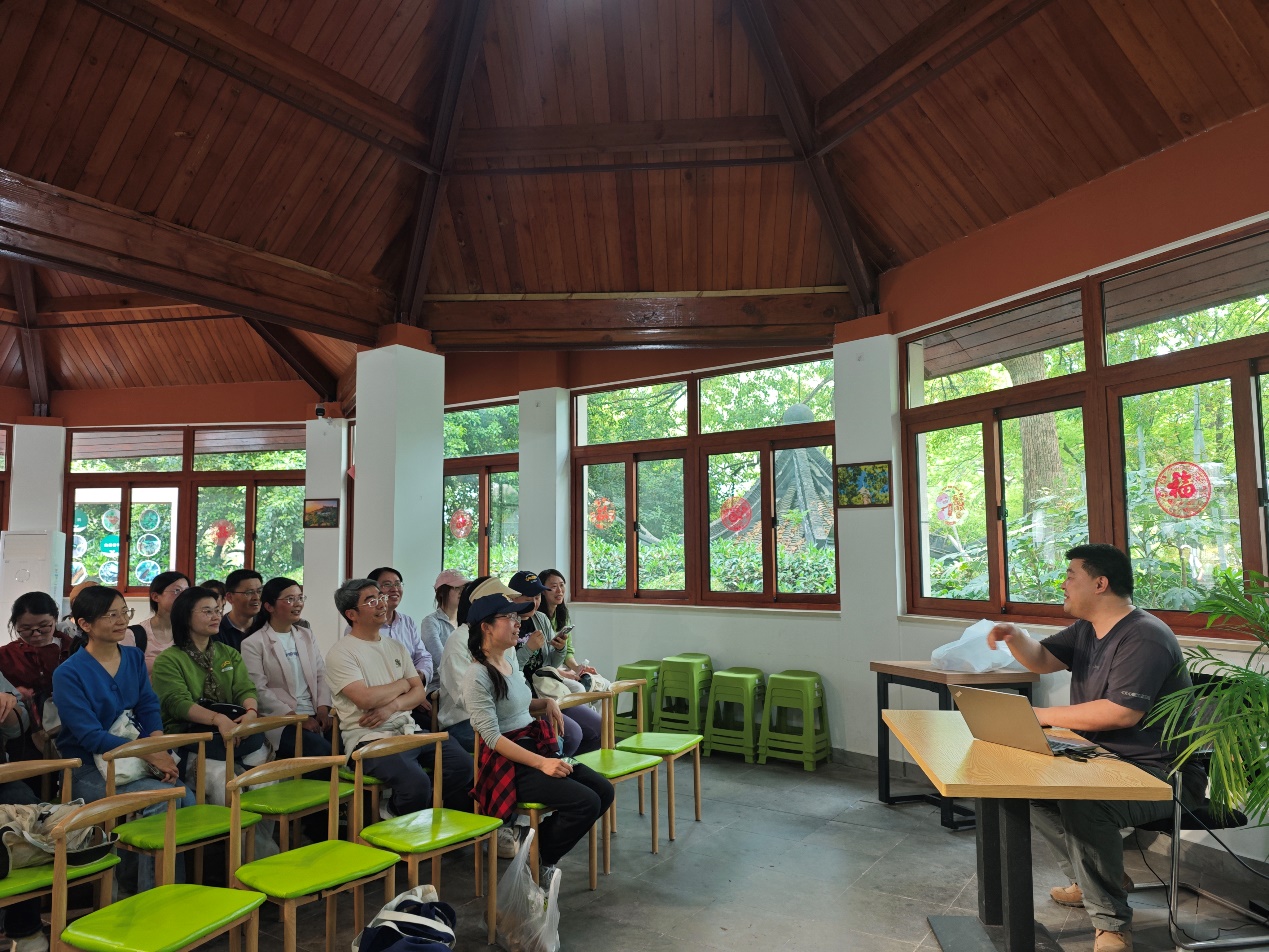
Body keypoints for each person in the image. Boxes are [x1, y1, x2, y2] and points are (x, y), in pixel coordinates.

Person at [987, 543, 1203, 952]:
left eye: (1071, 576)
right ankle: (1096, 880)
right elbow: (1042, 660)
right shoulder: (1088, 629)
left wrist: (1041, 715)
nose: (1064, 585)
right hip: (1104, 761)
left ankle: (1112, 925)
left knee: (1087, 804)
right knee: (1026, 788)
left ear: (1100, 584)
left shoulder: (1145, 636)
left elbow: (1121, 713)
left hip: (1163, 775)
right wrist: (1016, 635)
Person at [463, 592, 613, 889]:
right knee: (585, 802)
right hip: (507, 763)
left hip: (534, 747)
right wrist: (542, 763)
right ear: (486, 627)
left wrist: (544, 703)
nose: (518, 623)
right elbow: (491, 736)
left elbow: (516, 706)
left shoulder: (508, 660)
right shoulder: (477, 675)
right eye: (509, 618)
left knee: (603, 790)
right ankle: (541, 858)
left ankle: (535, 851)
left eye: (516, 617)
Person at [52, 587, 194, 895]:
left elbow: (148, 706)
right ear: (85, 624)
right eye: (110, 615)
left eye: (124, 612)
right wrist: (149, 754)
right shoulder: (68, 673)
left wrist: (158, 748)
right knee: (163, 799)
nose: (121, 621)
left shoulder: (132, 656)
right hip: (87, 768)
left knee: (186, 797)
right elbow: (90, 736)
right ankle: (155, 897)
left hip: (134, 758)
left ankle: (152, 888)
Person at [325, 579, 473, 818]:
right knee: (416, 783)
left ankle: (400, 811)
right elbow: (365, 699)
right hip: (368, 738)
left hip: (408, 730)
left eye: (380, 597)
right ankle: (408, 819)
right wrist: (403, 684)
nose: (381, 604)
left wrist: (393, 704)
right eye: (371, 601)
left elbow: (418, 692)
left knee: (462, 765)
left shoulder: (396, 647)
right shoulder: (341, 653)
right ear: (351, 614)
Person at [151, 587, 263, 770]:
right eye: (207, 611)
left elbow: (244, 688)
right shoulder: (168, 660)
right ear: (185, 616)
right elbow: (177, 703)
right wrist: (217, 719)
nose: (216, 616)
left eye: (218, 610)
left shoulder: (228, 653)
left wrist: (251, 712)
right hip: (189, 736)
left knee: (262, 769)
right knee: (229, 776)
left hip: (230, 728)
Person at [509, 571, 601, 756]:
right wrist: (528, 649)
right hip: (527, 697)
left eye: (537, 597)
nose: (534, 603)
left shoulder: (540, 619)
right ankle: (556, 766)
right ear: (513, 598)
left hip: (549, 688)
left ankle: (571, 765)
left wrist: (560, 649)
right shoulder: (506, 623)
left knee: (598, 727)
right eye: (528, 598)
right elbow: (507, 670)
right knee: (572, 734)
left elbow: (550, 663)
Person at [240, 577, 332, 760]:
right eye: (290, 599)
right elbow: (259, 689)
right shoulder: (253, 643)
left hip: (315, 714)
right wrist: (294, 718)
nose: (298, 604)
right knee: (321, 751)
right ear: (269, 606)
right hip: (281, 720)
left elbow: (321, 674)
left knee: (345, 745)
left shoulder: (306, 635)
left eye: (300, 598)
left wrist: (323, 708)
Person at [0, 665, 44, 952]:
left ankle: (26, 929)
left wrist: (10, 705)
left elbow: (18, 728)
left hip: (3, 777)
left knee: (26, 808)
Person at [345, 567, 434, 693]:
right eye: (387, 584)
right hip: (379, 695)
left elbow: (423, 656)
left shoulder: (407, 622)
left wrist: (420, 675)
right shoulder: (359, 626)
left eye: (398, 584)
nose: (395, 589)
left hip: (412, 692)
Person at [0, 592, 72, 723]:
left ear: (55, 619)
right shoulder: (5, 656)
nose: (36, 634)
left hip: (72, 722)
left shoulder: (74, 649)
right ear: (15, 625)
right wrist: (12, 693)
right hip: (25, 729)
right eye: (26, 629)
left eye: (44, 626)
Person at [538, 569, 598, 677]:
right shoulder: (538, 618)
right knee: (578, 685)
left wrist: (578, 668)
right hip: (544, 669)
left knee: (600, 681)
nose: (559, 590)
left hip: (560, 666)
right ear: (542, 590)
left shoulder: (563, 615)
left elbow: (568, 651)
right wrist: (564, 674)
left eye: (562, 585)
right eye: (554, 586)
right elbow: (540, 660)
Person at [131, 571, 190, 673]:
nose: (184, 596)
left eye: (186, 591)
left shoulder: (190, 633)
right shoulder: (134, 635)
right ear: (155, 597)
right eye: (177, 590)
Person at [420, 569, 468, 682]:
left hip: (466, 683)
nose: (461, 592)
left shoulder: (466, 622)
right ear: (441, 592)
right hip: (440, 686)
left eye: (463, 588)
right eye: (456, 588)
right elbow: (443, 661)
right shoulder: (430, 622)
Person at [218, 569, 262, 651]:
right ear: (230, 597)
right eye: (249, 592)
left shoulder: (265, 626)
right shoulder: (217, 630)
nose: (256, 597)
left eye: (259, 591)